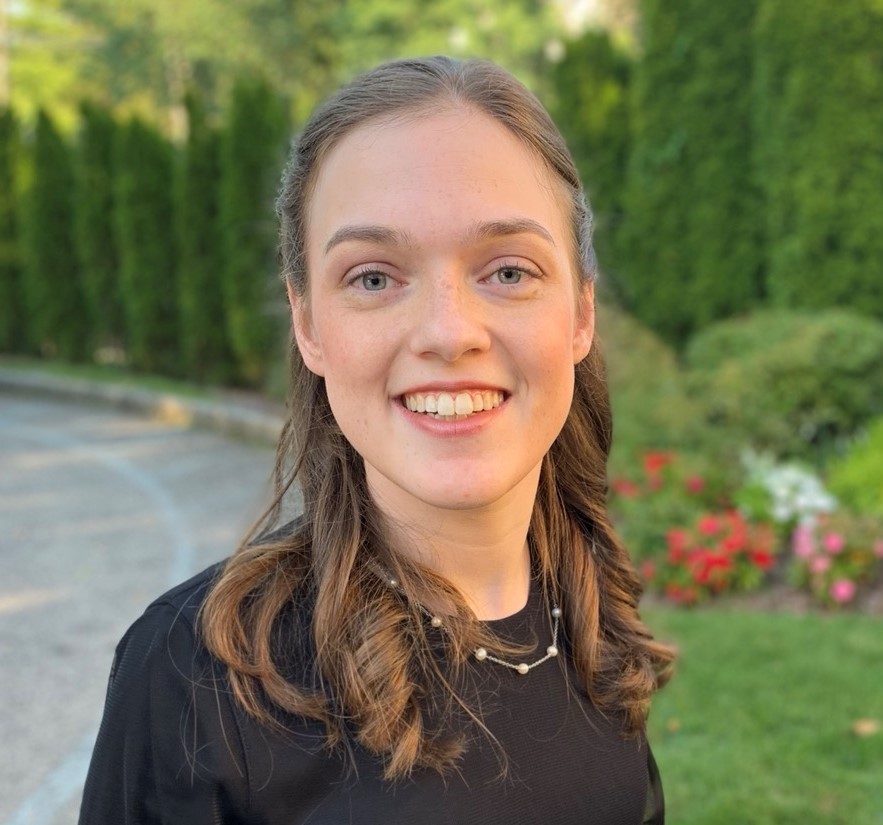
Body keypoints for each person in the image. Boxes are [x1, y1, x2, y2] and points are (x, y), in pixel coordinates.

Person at [79, 55, 674, 824]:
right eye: (372, 278)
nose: (448, 331)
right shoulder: (201, 677)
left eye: (507, 271)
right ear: (309, 326)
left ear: (580, 315)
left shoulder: (586, 608)